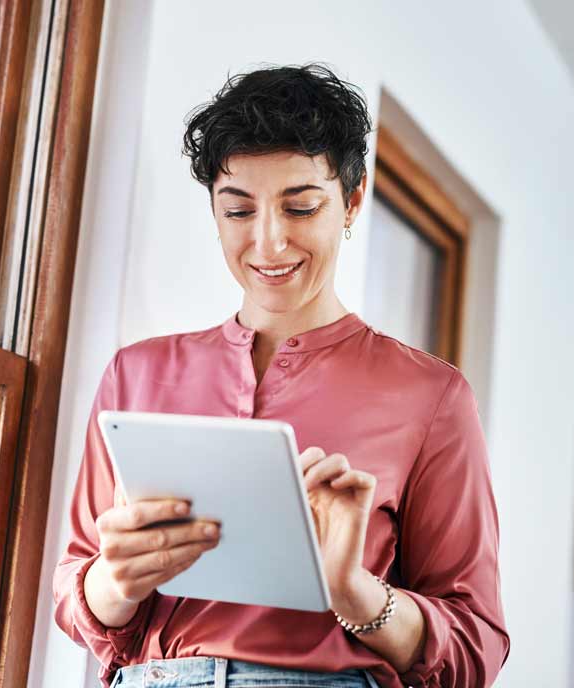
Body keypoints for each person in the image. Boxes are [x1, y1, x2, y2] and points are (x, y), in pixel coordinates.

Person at [53, 62, 510, 688]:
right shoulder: (136, 373)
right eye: (238, 211)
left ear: (351, 202)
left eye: (300, 208)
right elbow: (78, 590)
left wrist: (353, 591)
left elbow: (474, 646)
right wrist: (114, 581)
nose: (268, 245)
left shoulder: (431, 396)